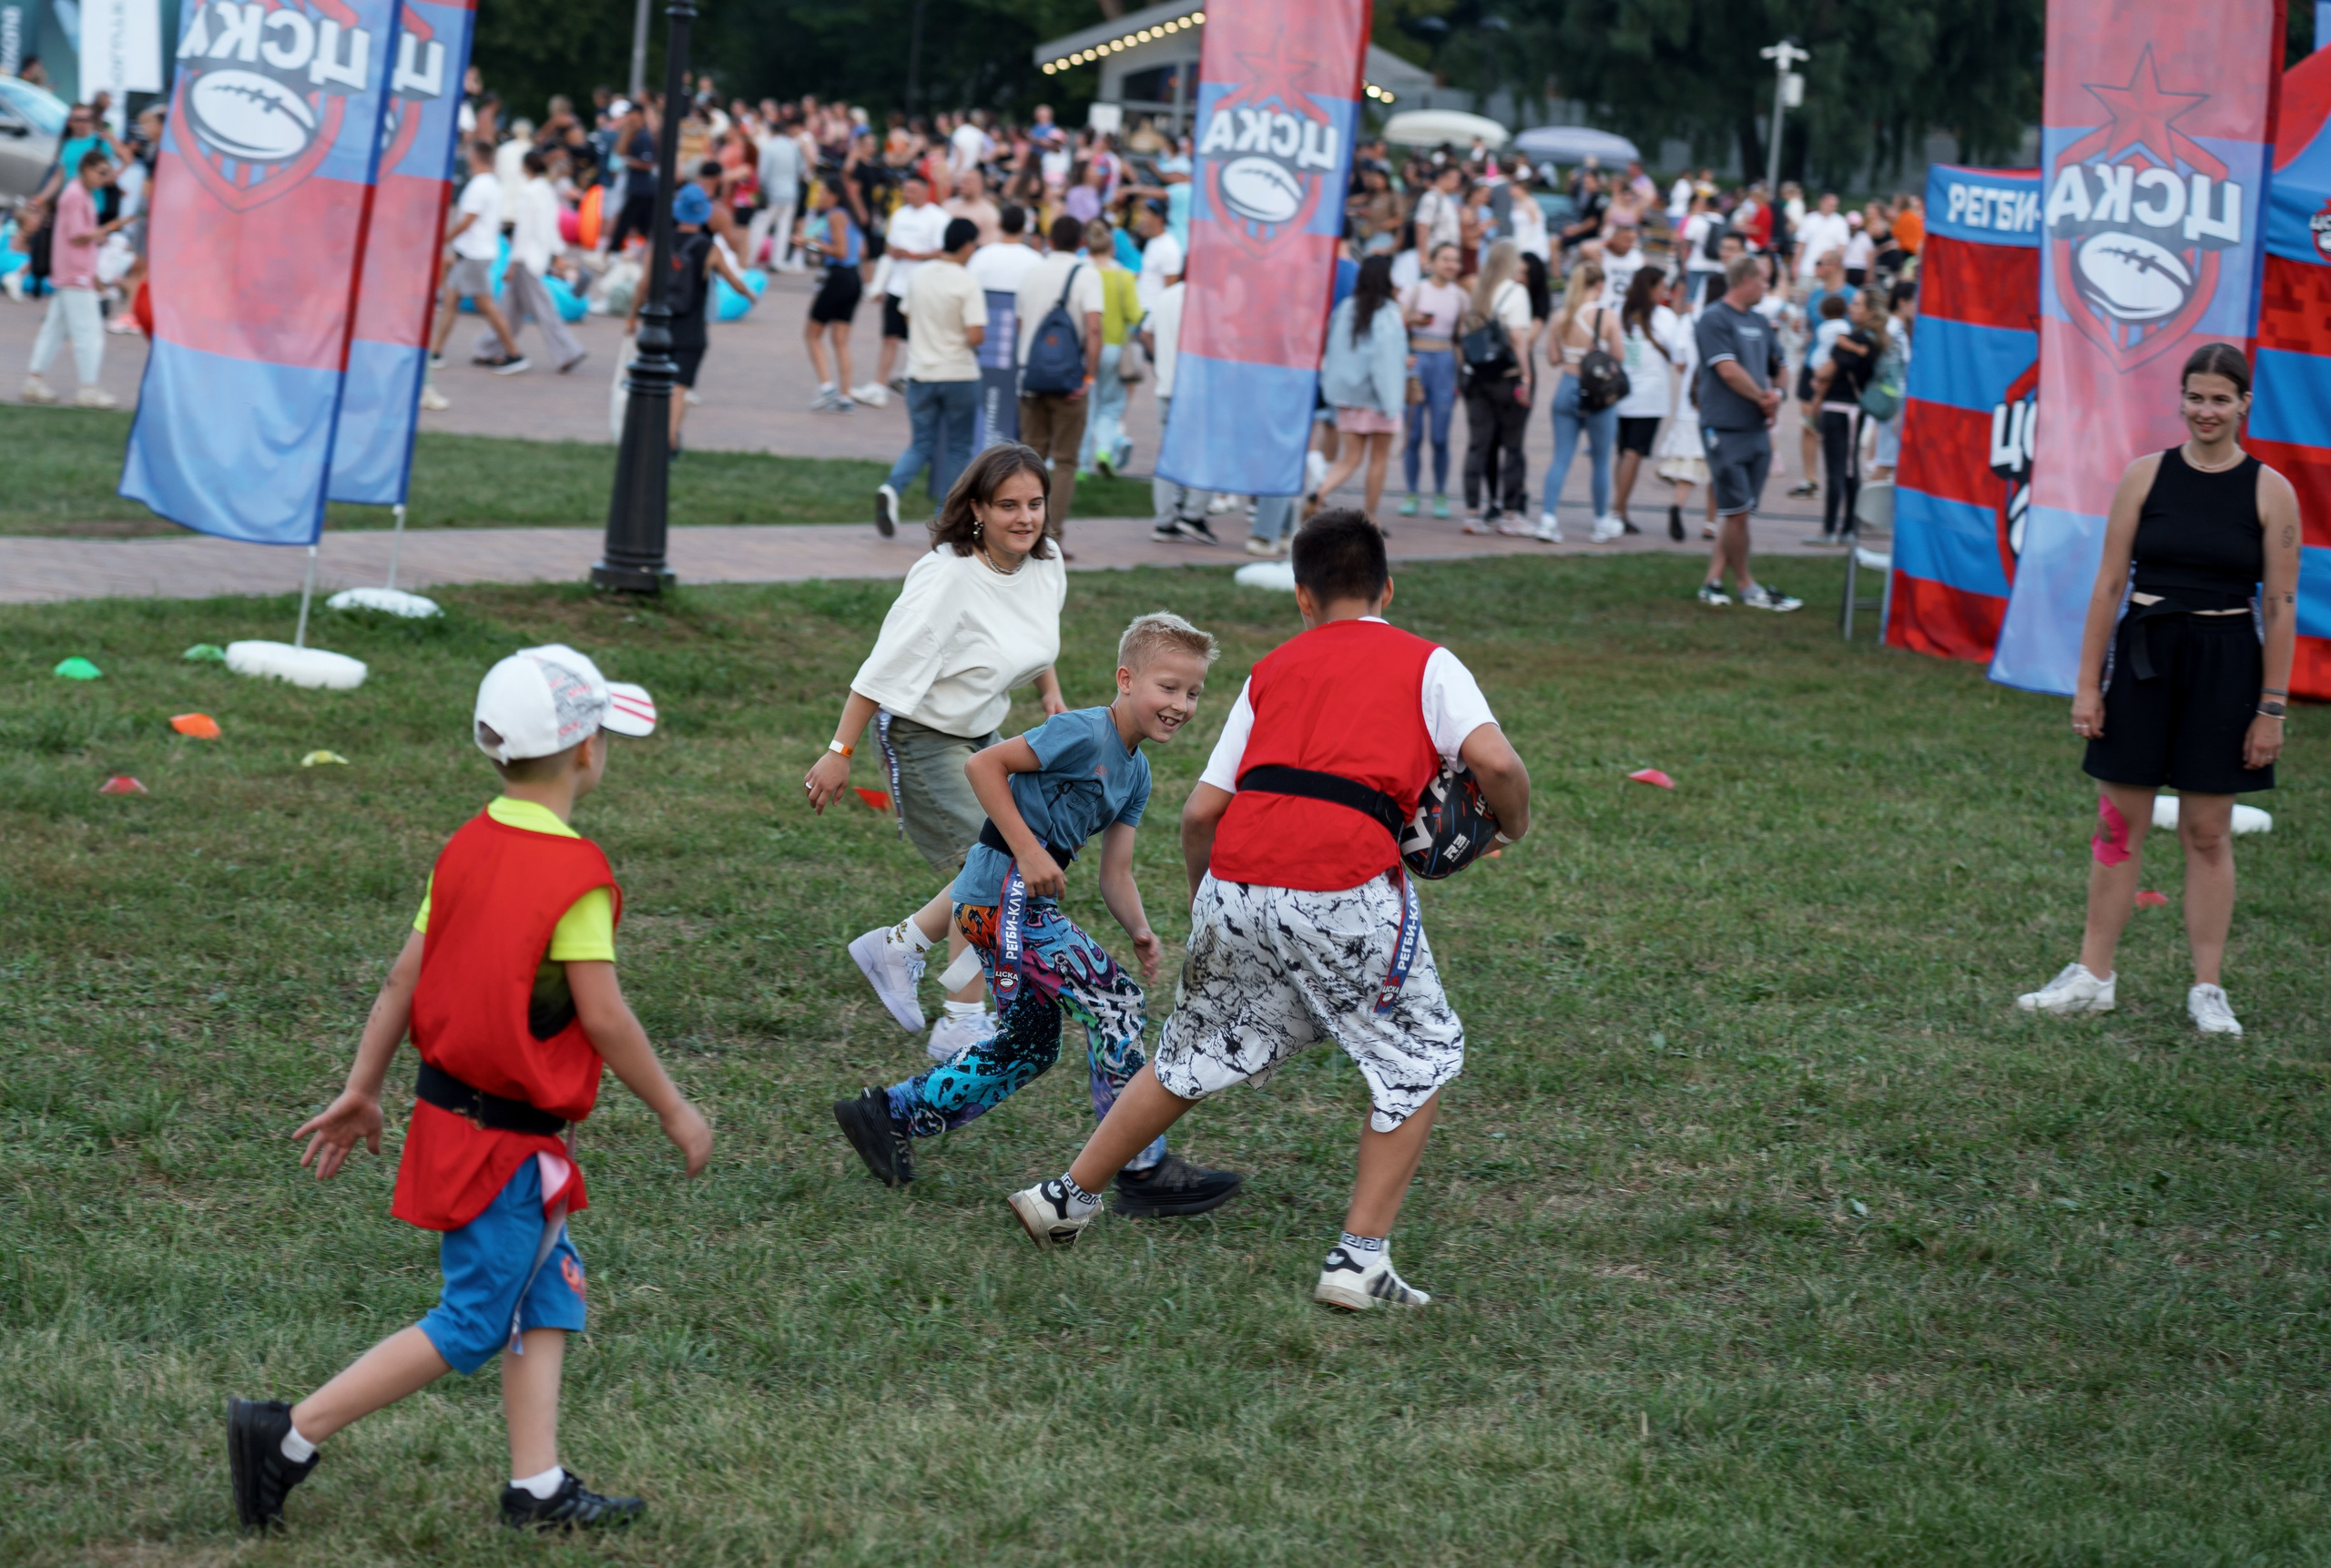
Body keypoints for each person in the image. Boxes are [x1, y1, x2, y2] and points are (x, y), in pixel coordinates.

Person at [226, 646, 711, 1533]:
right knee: (475, 1319)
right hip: (506, 1144)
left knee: (547, 1293)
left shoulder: (465, 849)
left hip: (459, 1121)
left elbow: (400, 983)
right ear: (585, 751)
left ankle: (537, 1488)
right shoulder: (577, 876)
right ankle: (288, 1434)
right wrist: (676, 1109)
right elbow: (602, 1018)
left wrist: (364, 1088)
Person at [1005, 512, 1534, 1313]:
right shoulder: (1429, 662)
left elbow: (1198, 814)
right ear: (1387, 589)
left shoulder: (1273, 669)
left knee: (1190, 1048)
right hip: (1345, 880)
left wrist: (1211, 906)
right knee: (1419, 1054)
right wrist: (1515, 825)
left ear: (1301, 599)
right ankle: (1359, 1262)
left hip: (1238, 878)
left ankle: (1063, 1198)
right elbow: (1492, 760)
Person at [834, 613, 1246, 1221]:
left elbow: (1116, 871)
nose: (1181, 704)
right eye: (1168, 687)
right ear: (1126, 679)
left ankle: (887, 1114)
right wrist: (1028, 850)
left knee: (1029, 1045)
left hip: (1022, 905)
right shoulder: (1079, 732)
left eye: (1193, 693)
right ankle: (1141, 1166)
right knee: (1117, 1003)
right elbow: (984, 767)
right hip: (999, 894)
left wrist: (1139, 929)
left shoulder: (1137, 772)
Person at [2021, 344, 2298, 1038]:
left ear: (2244, 406)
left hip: (2227, 663)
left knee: (2207, 834)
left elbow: (2282, 606)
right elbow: (2109, 586)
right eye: (2196, 397)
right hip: (2145, 658)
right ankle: (2093, 977)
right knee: (2117, 827)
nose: (2207, 411)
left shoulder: (2271, 491)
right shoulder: (2144, 478)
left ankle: (2207, 989)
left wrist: (2271, 708)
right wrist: (2089, 685)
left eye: (2220, 399)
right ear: (2180, 400)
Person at [811, 444, 1070, 1062]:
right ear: (977, 509)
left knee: (1006, 860)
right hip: (922, 735)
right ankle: (961, 1017)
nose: (1025, 518)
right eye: (1008, 505)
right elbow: (883, 667)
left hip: (983, 734)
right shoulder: (950, 575)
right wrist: (838, 751)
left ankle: (899, 945)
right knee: (994, 866)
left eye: (1035, 504)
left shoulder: (1046, 560)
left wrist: (1051, 694)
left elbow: (1032, 633)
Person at [1693, 253, 1802, 610]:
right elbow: (1727, 370)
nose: (1767, 287)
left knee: (1737, 512)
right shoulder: (1713, 319)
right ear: (1746, 280)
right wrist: (1763, 398)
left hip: (1757, 429)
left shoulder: (1759, 321)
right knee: (1737, 511)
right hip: (1724, 427)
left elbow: (1781, 366)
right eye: (1764, 280)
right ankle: (1745, 584)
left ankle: (1712, 581)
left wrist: (1779, 394)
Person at [875, 218, 986, 535]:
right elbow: (976, 334)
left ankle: (892, 488)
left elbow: (907, 313)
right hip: (959, 373)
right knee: (958, 446)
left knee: (921, 443)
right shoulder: (967, 282)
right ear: (966, 245)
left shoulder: (920, 275)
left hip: (921, 372)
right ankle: (944, 515)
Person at [625, 184, 748, 453]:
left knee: (652, 383)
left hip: (660, 325)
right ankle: (669, 439)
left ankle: (646, 437)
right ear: (703, 215)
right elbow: (733, 280)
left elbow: (644, 283)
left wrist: (632, 318)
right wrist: (749, 293)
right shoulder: (709, 248)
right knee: (679, 387)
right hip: (692, 328)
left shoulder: (661, 242)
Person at [1013, 214, 1105, 553]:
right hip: (1069, 382)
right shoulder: (1087, 275)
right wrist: (1089, 374)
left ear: (1049, 239)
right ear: (1081, 241)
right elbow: (1093, 328)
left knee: (1030, 459)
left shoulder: (1032, 271)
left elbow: (1022, 322)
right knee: (1065, 461)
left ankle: (1021, 535)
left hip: (1032, 380)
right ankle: (1051, 538)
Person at [22, 148, 120, 408]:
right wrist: (105, 230)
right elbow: (78, 235)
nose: (104, 178)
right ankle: (88, 388)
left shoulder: (79, 194)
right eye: (101, 172)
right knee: (90, 333)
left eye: (106, 173)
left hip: (72, 273)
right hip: (75, 274)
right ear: (87, 169)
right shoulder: (76, 195)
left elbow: (78, 234)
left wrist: (98, 235)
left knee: (54, 331)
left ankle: (34, 381)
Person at [1536, 259, 1626, 543]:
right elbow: (1619, 358)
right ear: (1599, 284)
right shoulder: (1607, 315)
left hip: (1566, 386)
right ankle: (1601, 521)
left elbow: (1552, 358)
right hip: (1597, 393)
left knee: (1561, 456)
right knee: (1600, 460)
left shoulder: (1561, 316)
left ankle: (1548, 519)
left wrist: (1572, 354)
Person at [1314, 255, 1407, 521]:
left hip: (1349, 398)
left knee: (1349, 459)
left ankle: (1318, 492)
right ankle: (1372, 517)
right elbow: (1385, 360)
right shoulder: (1388, 313)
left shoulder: (1346, 308)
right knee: (1378, 460)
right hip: (1379, 397)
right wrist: (1392, 403)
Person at [432, 142, 527, 374]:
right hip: (476, 252)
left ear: (475, 157)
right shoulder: (492, 184)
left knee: (483, 304)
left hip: (474, 253)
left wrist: (443, 239)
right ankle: (436, 351)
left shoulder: (478, 186)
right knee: (452, 300)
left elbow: (467, 220)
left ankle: (514, 353)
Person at [1458, 239, 1532, 533]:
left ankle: (1473, 512)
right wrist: (1526, 377)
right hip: (1506, 377)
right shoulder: (1516, 292)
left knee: (1478, 445)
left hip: (1477, 378)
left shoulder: (1479, 291)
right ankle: (1510, 513)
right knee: (1512, 446)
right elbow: (1518, 339)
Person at [492, 149, 587, 375]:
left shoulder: (528, 193)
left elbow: (523, 231)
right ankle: (490, 347)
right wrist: (556, 253)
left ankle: (568, 351)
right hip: (538, 256)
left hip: (526, 258)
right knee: (509, 308)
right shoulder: (546, 190)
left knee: (542, 309)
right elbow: (550, 226)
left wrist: (512, 263)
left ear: (526, 167)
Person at [861, 171, 948, 407]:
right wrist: (881, 282)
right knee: (889, 336)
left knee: (917, 339)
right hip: (897, 284)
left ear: (924, 191)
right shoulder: (900, 214)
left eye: (912, 191)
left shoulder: (938, 218)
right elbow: (889, 246)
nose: (907, 195)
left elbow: (943, 251)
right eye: (905, 190)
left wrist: (914, 255)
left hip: (922, 286)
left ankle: (915, 384)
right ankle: (879, 385)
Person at [1807, 287, 1886, 545]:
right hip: (1850, 409)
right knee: (1847, 469)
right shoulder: (1868, 341)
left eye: (1857, 305)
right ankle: (1846, 528)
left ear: (1870, 311)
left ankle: (1832, 529)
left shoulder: (1859, 340)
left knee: (1839, 471)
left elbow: (1823, 372)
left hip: (1841, 409)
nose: (1851, 308)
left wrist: (1825, 371)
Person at [1393, 242, 1466, 520]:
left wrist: (1460, 374)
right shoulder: (1415, 291)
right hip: (1417, 363)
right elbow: (1397, 325)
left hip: (1445, 364)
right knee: (1412, 434)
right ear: (1431, 262)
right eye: (1446, 259)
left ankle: (1440, 493)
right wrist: (1413, 319)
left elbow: (1460, 337)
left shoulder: (1460, 296)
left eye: (1455, 260)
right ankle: (1411, 492)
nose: (1451, 265)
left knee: (1439, 436)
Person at [1611, 267, 1682, 535]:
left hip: (1620, 392)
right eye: (1662, 286)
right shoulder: (1664, 317)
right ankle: (1618, 511)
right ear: (1651, 288)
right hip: (1649, 396)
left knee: (1623, 451)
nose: (1665, 292)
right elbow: (1677, 356)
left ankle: (1620, 508)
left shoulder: (1619, 311)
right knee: (1634, 452)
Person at [1075, 218, 1142, 481]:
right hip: (1114, 347)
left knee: (1086, 405)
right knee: (1110, 405)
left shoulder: (1080, 271)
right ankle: (1103, 450)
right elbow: (1135, 315)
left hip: (1084, 348)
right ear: (1112, 248)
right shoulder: (1123, 278)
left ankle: (1080, 464)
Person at [802, 181, 864, 411]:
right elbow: (860, 250)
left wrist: (811, 242)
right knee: (840, 341)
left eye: (823, 192)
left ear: (834, 195)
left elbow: (841, 251)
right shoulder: (850, 217)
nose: (819, 197)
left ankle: (827, 387)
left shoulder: (835, 215)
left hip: (838, 278)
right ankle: (845, 396)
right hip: (853, 279)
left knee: (812, 334)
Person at [605, 102, 658, 255]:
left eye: (632, 114)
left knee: (627, 221)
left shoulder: (644, 136)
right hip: (636, 187)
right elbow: (620, 152)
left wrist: (629, 162)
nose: (629, 117)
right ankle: (621, 251)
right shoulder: (633, 134)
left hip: (643, 188)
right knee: (642, 225)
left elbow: (648, 163)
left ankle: (613, 251)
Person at [1410, 162, 1463, 258]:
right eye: (1455, 180)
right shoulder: (1431, 198)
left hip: (1447, 254)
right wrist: (1423, 255)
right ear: (1441, 178)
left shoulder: (1447, 199)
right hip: (1435, 253)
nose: (1457, 183)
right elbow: (1422, 226)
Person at [1795, 190, 1850, 280]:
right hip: (1807, 269)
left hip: (1828, 272)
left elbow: (1841, 249)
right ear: (1821, 203)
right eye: (1829, 204)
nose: (1832, 207)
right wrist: (1795, 265)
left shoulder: (1841, 222)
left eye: (1834, 205)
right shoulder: (1809, 219)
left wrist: (1838, 270)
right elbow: (1800, 246)